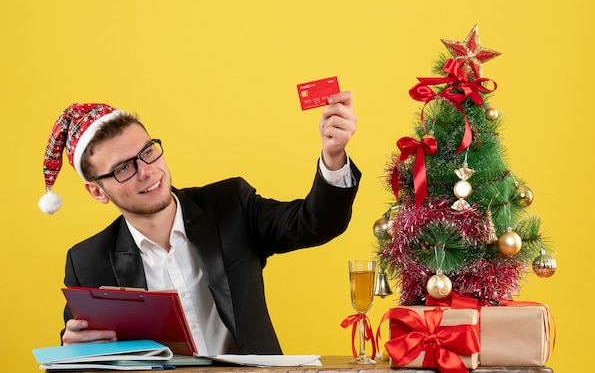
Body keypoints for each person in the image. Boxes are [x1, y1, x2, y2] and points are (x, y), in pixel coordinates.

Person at [37, 92, 360, 356]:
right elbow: (85, 351)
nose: (147, 171)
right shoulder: (86, 261)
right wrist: (76, 349)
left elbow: (315, 223)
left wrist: (333, 156)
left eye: (148, 152)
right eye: (123, 168)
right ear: (97, 191)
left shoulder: (230, 205)